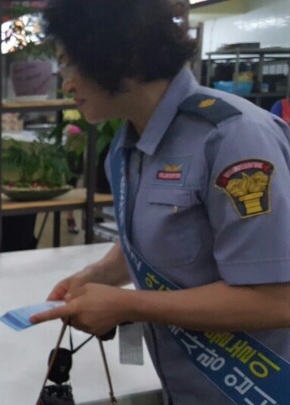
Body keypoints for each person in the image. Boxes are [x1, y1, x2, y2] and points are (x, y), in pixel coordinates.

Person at [30, 1, 290, 404]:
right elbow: (160, 231)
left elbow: (276, 300)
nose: (66, 84)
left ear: (117, 53)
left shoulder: (232, 137)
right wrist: (101, 274)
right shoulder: (127, 146)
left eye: (69, 64)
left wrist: (129, 304)